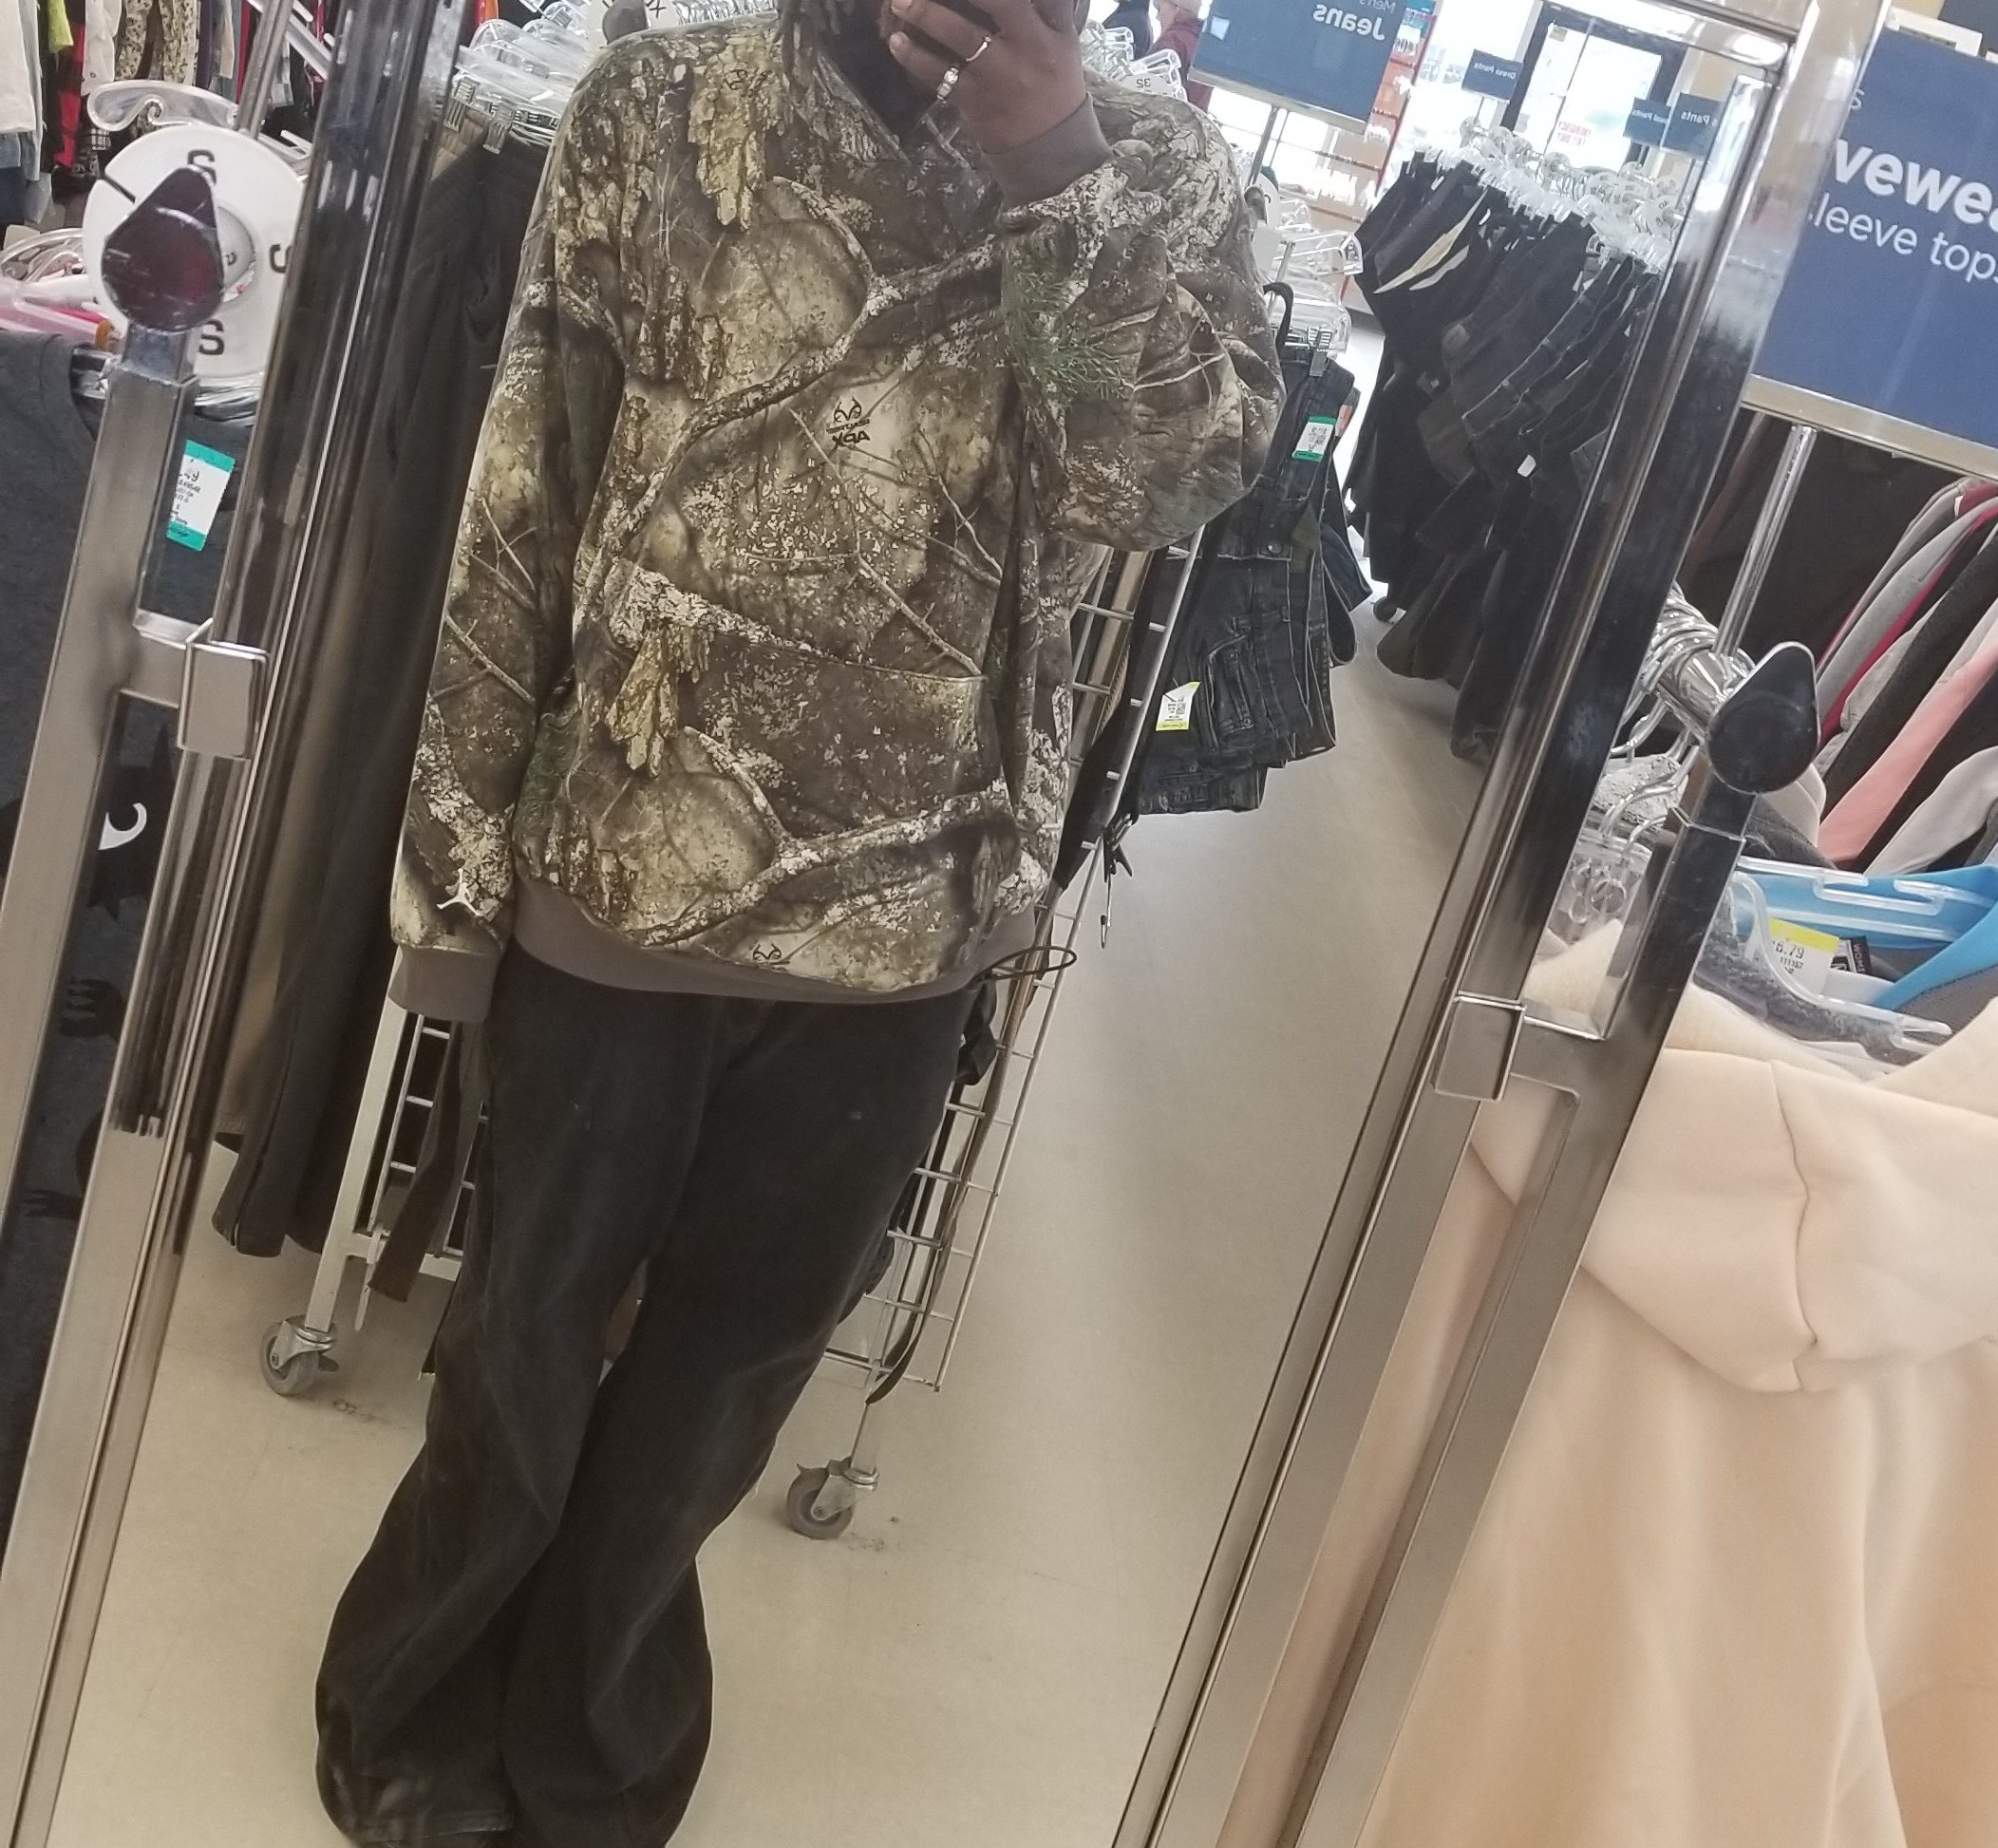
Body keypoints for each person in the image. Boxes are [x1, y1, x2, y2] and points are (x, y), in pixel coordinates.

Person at [312, 1, 1280, 1846]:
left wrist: (1054, 172)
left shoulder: (1150, 166)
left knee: (728, 1380)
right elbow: (528, 488)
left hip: (908, 922)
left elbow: (1161, 482)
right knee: (521, 1344)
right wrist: (454, 867)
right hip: (622, 874)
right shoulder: (662, 103)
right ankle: (414, 1695)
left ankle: (594, 1727)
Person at [1156, 0, 1211, 108]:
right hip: (1192, 116)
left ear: (1177, 8)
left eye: (1159, 9)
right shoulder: (1202, 44)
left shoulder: (1171, 41)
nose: (1157, 17)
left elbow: (1150, 93)